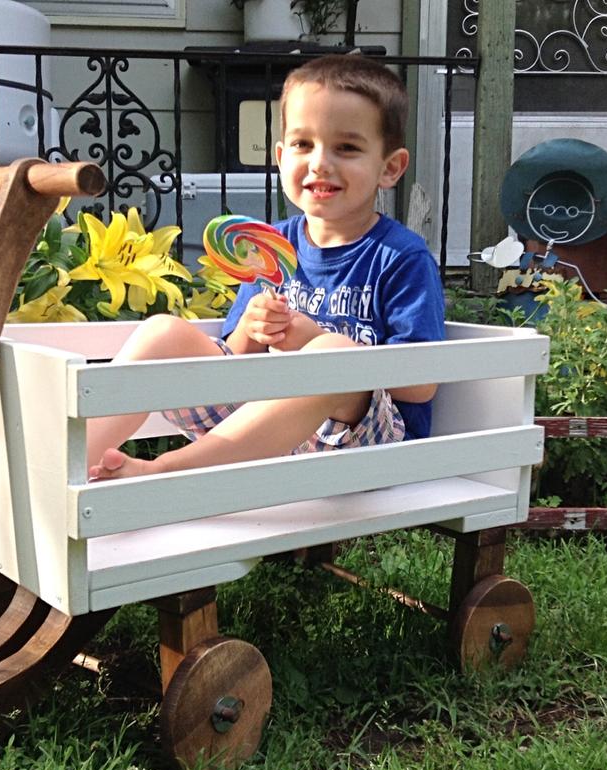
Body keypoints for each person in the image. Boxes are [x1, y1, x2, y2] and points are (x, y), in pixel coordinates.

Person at [88, 54, 445, 480]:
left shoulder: (400, 257)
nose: (319, 162)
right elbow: (236, 356)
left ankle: (164, 475)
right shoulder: (272, 247)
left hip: (362, 447)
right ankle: (64, 465)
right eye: (302, 144)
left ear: (390, 168)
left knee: (333, 356)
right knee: (162, 332)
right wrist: (253, 329)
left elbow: (422, 383)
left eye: (346, 147)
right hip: (263, 429)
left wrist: (316, 340)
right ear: (279, 156)